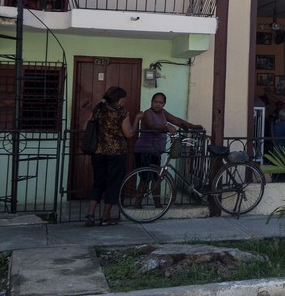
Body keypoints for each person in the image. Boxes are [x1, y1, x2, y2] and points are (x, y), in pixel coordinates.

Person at [84, 86, 135, 227]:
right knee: (113, 185)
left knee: (98, 183)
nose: (125, 101)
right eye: (123, 99)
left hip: (98, 153)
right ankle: (105, 218)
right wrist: (136, 120)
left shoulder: (98, 110)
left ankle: (90, 214)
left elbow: (85, 127)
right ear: (118, 100)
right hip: (117, 153)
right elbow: (129, 134)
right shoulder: (122, 113)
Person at [133, 92, 202, 166]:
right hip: (145, 151)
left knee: (155, 175)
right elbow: (151, 125)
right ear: (151, 102)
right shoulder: (148, 113)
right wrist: (166, 125)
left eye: (160, 102)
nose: (157, 104)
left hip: (156, 151)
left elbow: (176, 120)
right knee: (147, 176)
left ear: (164, 104)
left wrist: (193, 126)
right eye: (155, 102)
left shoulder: (163, 112)